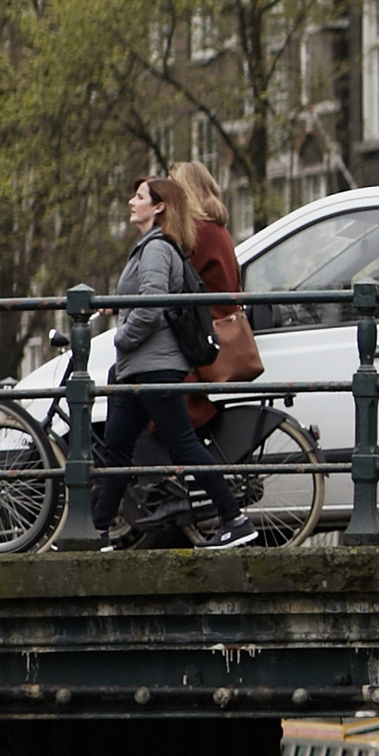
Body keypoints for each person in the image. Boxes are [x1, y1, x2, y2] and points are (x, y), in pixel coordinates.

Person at [95, 176, 256, 549]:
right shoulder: (153, 248)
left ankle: (234, 519)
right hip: (139, 368)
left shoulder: (155, 249)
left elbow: (152, 307)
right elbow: (146, 299)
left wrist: (121, 337)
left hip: (154, 366)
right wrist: (118, 305)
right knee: (118, 448)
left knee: (183, 444)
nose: (131, 202)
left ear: (159, 206)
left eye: (139, 197)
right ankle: (96, 531)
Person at [171, 161, 241, 432]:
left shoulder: (195, 233)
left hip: (205, 333)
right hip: (223, 325)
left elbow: (176, 282)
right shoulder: (218, 230)